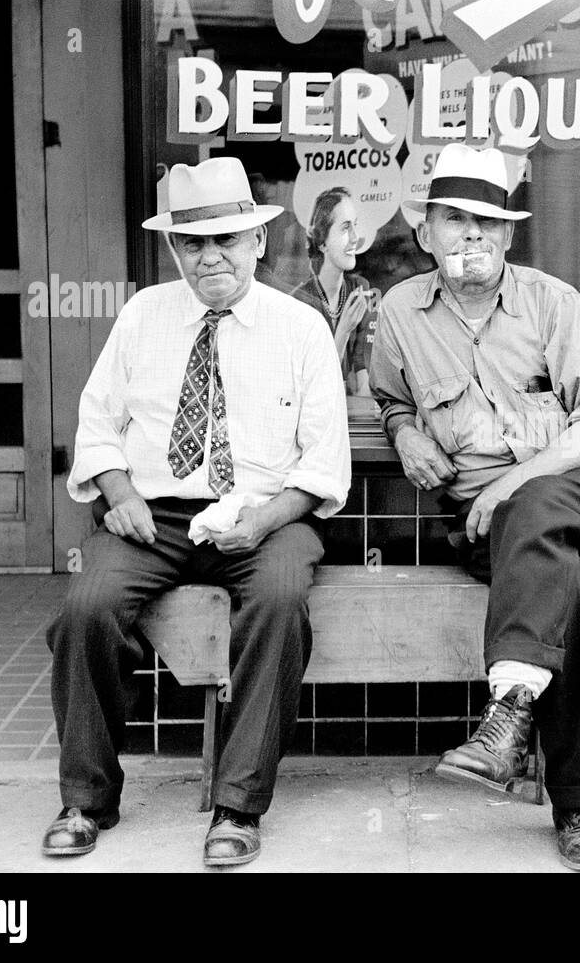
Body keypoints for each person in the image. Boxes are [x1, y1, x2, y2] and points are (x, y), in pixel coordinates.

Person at [43, 157, 350, 867]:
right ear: (175, 249)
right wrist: (118, 495)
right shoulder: (144, 314)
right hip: (156, 517)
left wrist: (264, 519)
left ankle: (237, 806)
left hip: (270, 515)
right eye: (193, 243)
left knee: (278, 600)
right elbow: (97, 423)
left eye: (227, 239)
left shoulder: (300, 329)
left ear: (258, 242)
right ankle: (87, 796)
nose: (210, 256)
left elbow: (324, 464)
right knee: (86, 605)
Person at [369, 143, 580, 872]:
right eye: (456, 218)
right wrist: (403, 432)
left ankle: (507, 719)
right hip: (484, 525)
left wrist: (506, 486)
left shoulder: (554, 303)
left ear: (509, 234)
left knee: (537, 508)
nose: (473, 235)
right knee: (566, 585)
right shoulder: (399, 314)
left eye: (489, 222)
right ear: (425, 230)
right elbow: (391, 397)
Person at [292, 187, 377, 397]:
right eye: (345, 228)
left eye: (355, 225)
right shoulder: (300, 303)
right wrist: (344, 331)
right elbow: (312, 389)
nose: (356, 237)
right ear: (322, 242)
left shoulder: (360, 290)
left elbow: (362, 384)